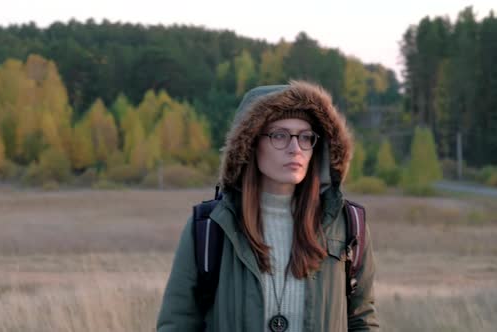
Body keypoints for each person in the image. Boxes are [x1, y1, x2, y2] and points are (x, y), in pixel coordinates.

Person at [157, 80, 379, 331]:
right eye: (280, 135)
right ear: (250, 144)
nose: (295, 148)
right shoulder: (211, 227)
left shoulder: (347, 225)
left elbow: (362, 321)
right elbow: (177, 324)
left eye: (305, 137)